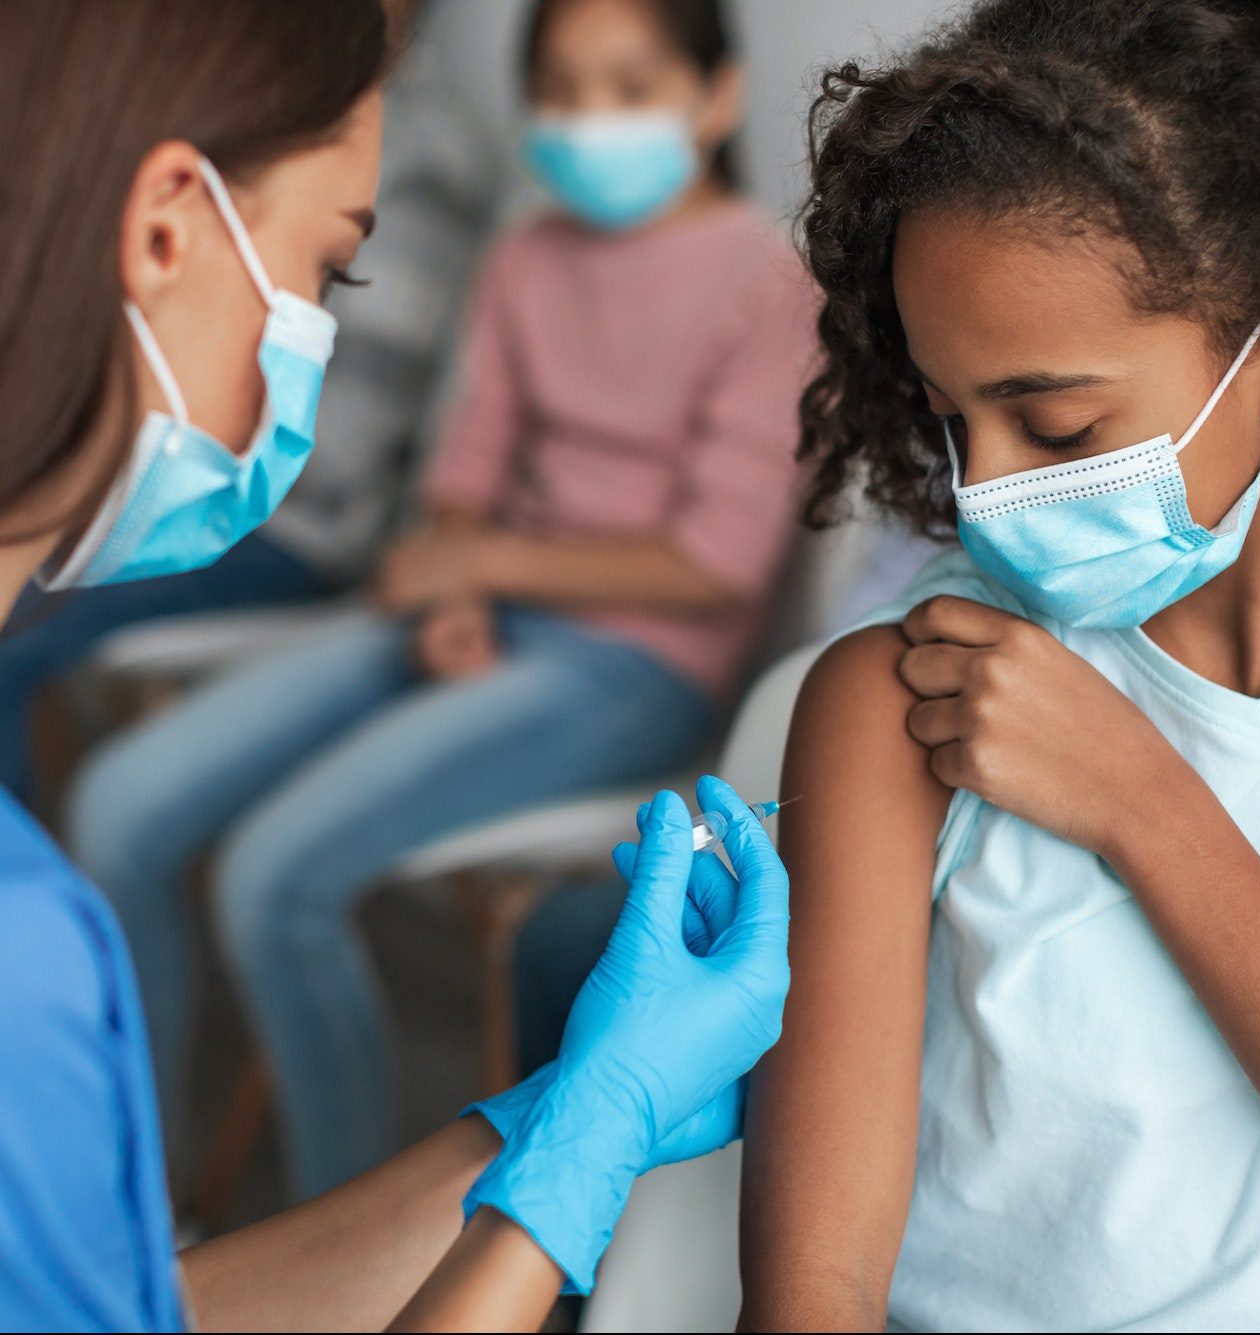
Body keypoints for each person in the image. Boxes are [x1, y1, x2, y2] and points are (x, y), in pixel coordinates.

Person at [0, 2, 788, 1329]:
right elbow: (467, 474)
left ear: (715, 96)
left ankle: (183, 1193)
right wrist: (582, 1153)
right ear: (162, 230)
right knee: (137, 802)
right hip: (466, 603)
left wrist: (553, 1122)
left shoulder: (762, 276)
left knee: (262, 864)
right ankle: (155, 1178)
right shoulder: (25, 960)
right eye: (327, 270)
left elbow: (711, 555)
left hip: (602, 644)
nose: (312, 335)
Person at [738, 1, 1260, 1330]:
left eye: (1054, 423)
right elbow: (810, 1291)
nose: (983, 494)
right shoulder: (904, 705)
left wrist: (1141, 801)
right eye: (951, 419)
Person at [0, 0, 500, 806]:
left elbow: (334, 464)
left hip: (306, 538)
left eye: (337, 278)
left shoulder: (423, 155)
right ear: (164, 231)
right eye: (325, 271)